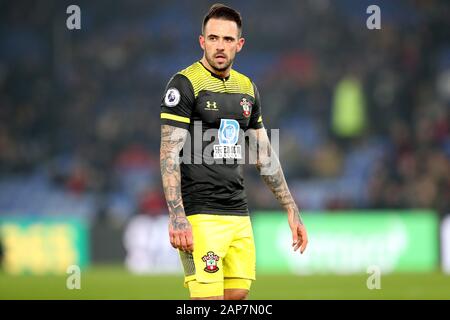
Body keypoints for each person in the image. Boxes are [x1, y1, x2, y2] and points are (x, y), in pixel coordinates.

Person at [160, 3, 308, 300]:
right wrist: (177, 215)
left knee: (238, 295)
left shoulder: (247, 88)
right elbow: (168, 154)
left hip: (238, 214)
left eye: (228, 40)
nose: (220, 46)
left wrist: (291, 208)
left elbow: (264, 154)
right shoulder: (185, 83)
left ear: (239, 45)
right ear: (202, 41)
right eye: (213, 38)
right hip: (200, 215)